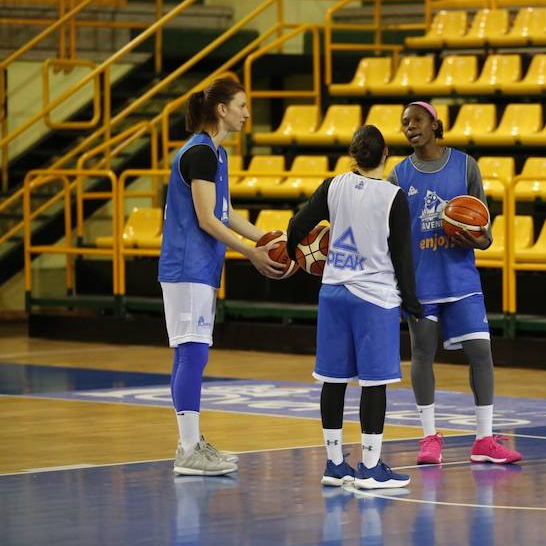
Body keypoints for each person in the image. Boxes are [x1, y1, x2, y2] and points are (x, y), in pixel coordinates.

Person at [159, 77, 285, 476]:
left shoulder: (216, 153)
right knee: (192, 353)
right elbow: (206, 219)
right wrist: (251, 253)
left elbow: (225, 214)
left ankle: (190, 444)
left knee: (190, 353)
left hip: (198, 267)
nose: (247, 113)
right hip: (187, 266)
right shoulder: (200, 153)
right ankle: (188, 449)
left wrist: (269, 238)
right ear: (221, 109)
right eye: (242, 106)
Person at [286, 125, 422, 490]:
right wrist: (412, 303)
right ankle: (371, 467)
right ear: (385, 154)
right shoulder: (392, 196)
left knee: (333, 380)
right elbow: (402, 257)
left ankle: (334, 464)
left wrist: (294, 256)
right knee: (374, 383)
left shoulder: (333, 186)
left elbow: (297, 226)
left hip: (333, 293)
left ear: (353, 154)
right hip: (374, 298)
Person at [387, 101, 522, 465]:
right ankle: (429, 437)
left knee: (481, 354)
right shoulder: (398, 176)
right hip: (421, 282)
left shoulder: (465, 165)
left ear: (435, 124)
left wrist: (476, 238)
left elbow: (486, 234)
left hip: (461, 280)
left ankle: (484, 440)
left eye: (417, 120)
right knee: (422, 354)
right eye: (405, 123)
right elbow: (390, 235)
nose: (410, 127)